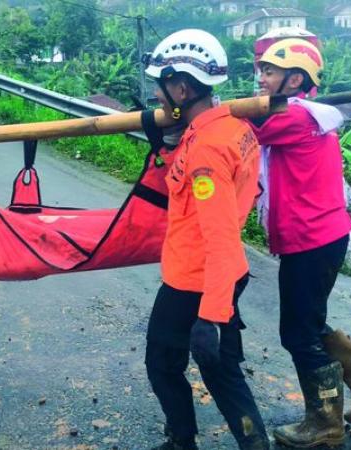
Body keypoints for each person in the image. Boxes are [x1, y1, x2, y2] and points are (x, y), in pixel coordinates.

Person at [251, 38, 351, 448]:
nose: (261, 79)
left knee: (298, 333)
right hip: (320, 236)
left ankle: (325, 422)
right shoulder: (309, 114)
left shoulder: (295, 118)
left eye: (270, 72)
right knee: (310, 324)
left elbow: (241, 129)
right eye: (261, 71)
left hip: (311, 239)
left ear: (295, 79)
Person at [143, 29, 269, 450]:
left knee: (164, 363)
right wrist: (165, 148)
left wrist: (211, 315)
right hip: (222, 274)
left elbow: (219, 236)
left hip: (196, 280)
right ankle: (254, 444)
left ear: (181, 87)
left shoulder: (208, 152)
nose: (158, 97)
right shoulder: (231, 124)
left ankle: (183, 440)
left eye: (161, 88)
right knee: (222, 370)